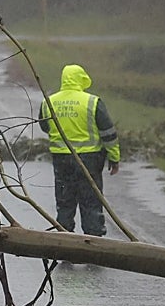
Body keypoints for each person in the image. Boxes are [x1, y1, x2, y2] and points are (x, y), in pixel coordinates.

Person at [38, 64, 120, 236]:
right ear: (82, 79)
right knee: (90, 201)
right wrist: (114, 158)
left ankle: (64, 238)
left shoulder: (48, 102)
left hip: (61, 160)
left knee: (64, 201)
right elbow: (108, 134)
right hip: (89, 160)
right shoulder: (92, 102)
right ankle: (93, 241)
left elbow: (45, 126)